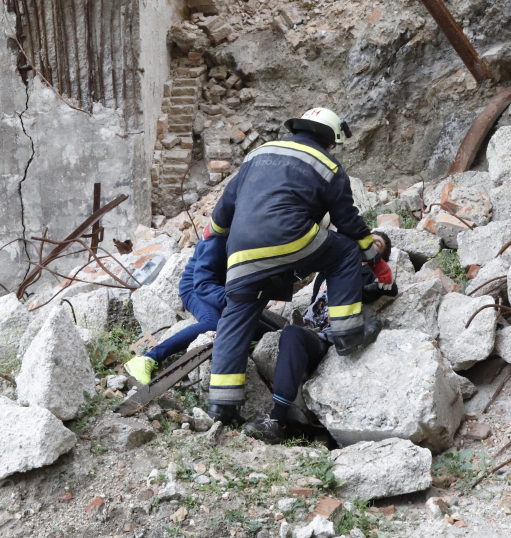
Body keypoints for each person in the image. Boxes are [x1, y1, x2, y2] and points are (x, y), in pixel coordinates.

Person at [206, 106, 394, 423]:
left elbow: (226, 205)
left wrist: (215, 233)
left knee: (235, 318)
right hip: (288, 238)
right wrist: (374, 259)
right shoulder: (328, 165)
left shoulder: (258, 153)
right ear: (330, 139)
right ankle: (348, 334)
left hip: (239, 252)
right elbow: (347, 221)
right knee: (345, 251)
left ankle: (222, 407)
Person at [244, 231, 396, 443]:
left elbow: (390, 287)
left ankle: (277, 420)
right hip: (306, 326)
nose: (370, 242)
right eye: (368, 237)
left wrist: (374, 269)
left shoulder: (369, 274)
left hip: (324, 339)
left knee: (292, 334)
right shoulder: (332, 267)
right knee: (249, 312)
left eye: (377, 243)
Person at [124, 223, 226, 385]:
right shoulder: (216, 240)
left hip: (213, 289)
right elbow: (203, 285)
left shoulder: (237, 233)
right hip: (195, 289)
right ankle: (148, 358)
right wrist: (232, 298)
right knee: (212, 322)